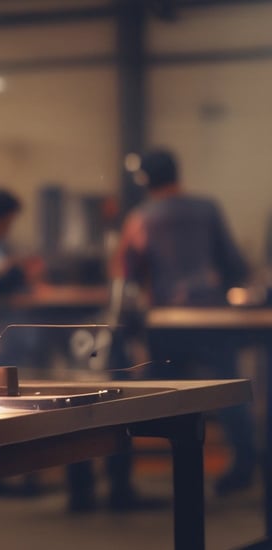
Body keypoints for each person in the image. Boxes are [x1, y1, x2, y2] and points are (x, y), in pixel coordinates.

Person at [112, 147, 255, 495]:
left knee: (155, 399)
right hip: (212, 320)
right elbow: (234, 264)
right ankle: (244, 467)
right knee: (230, 393)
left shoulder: (141, 218)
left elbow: (126, 273)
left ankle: (128, 480)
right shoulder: (208, 209)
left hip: (166, 324)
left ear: (145, 180)